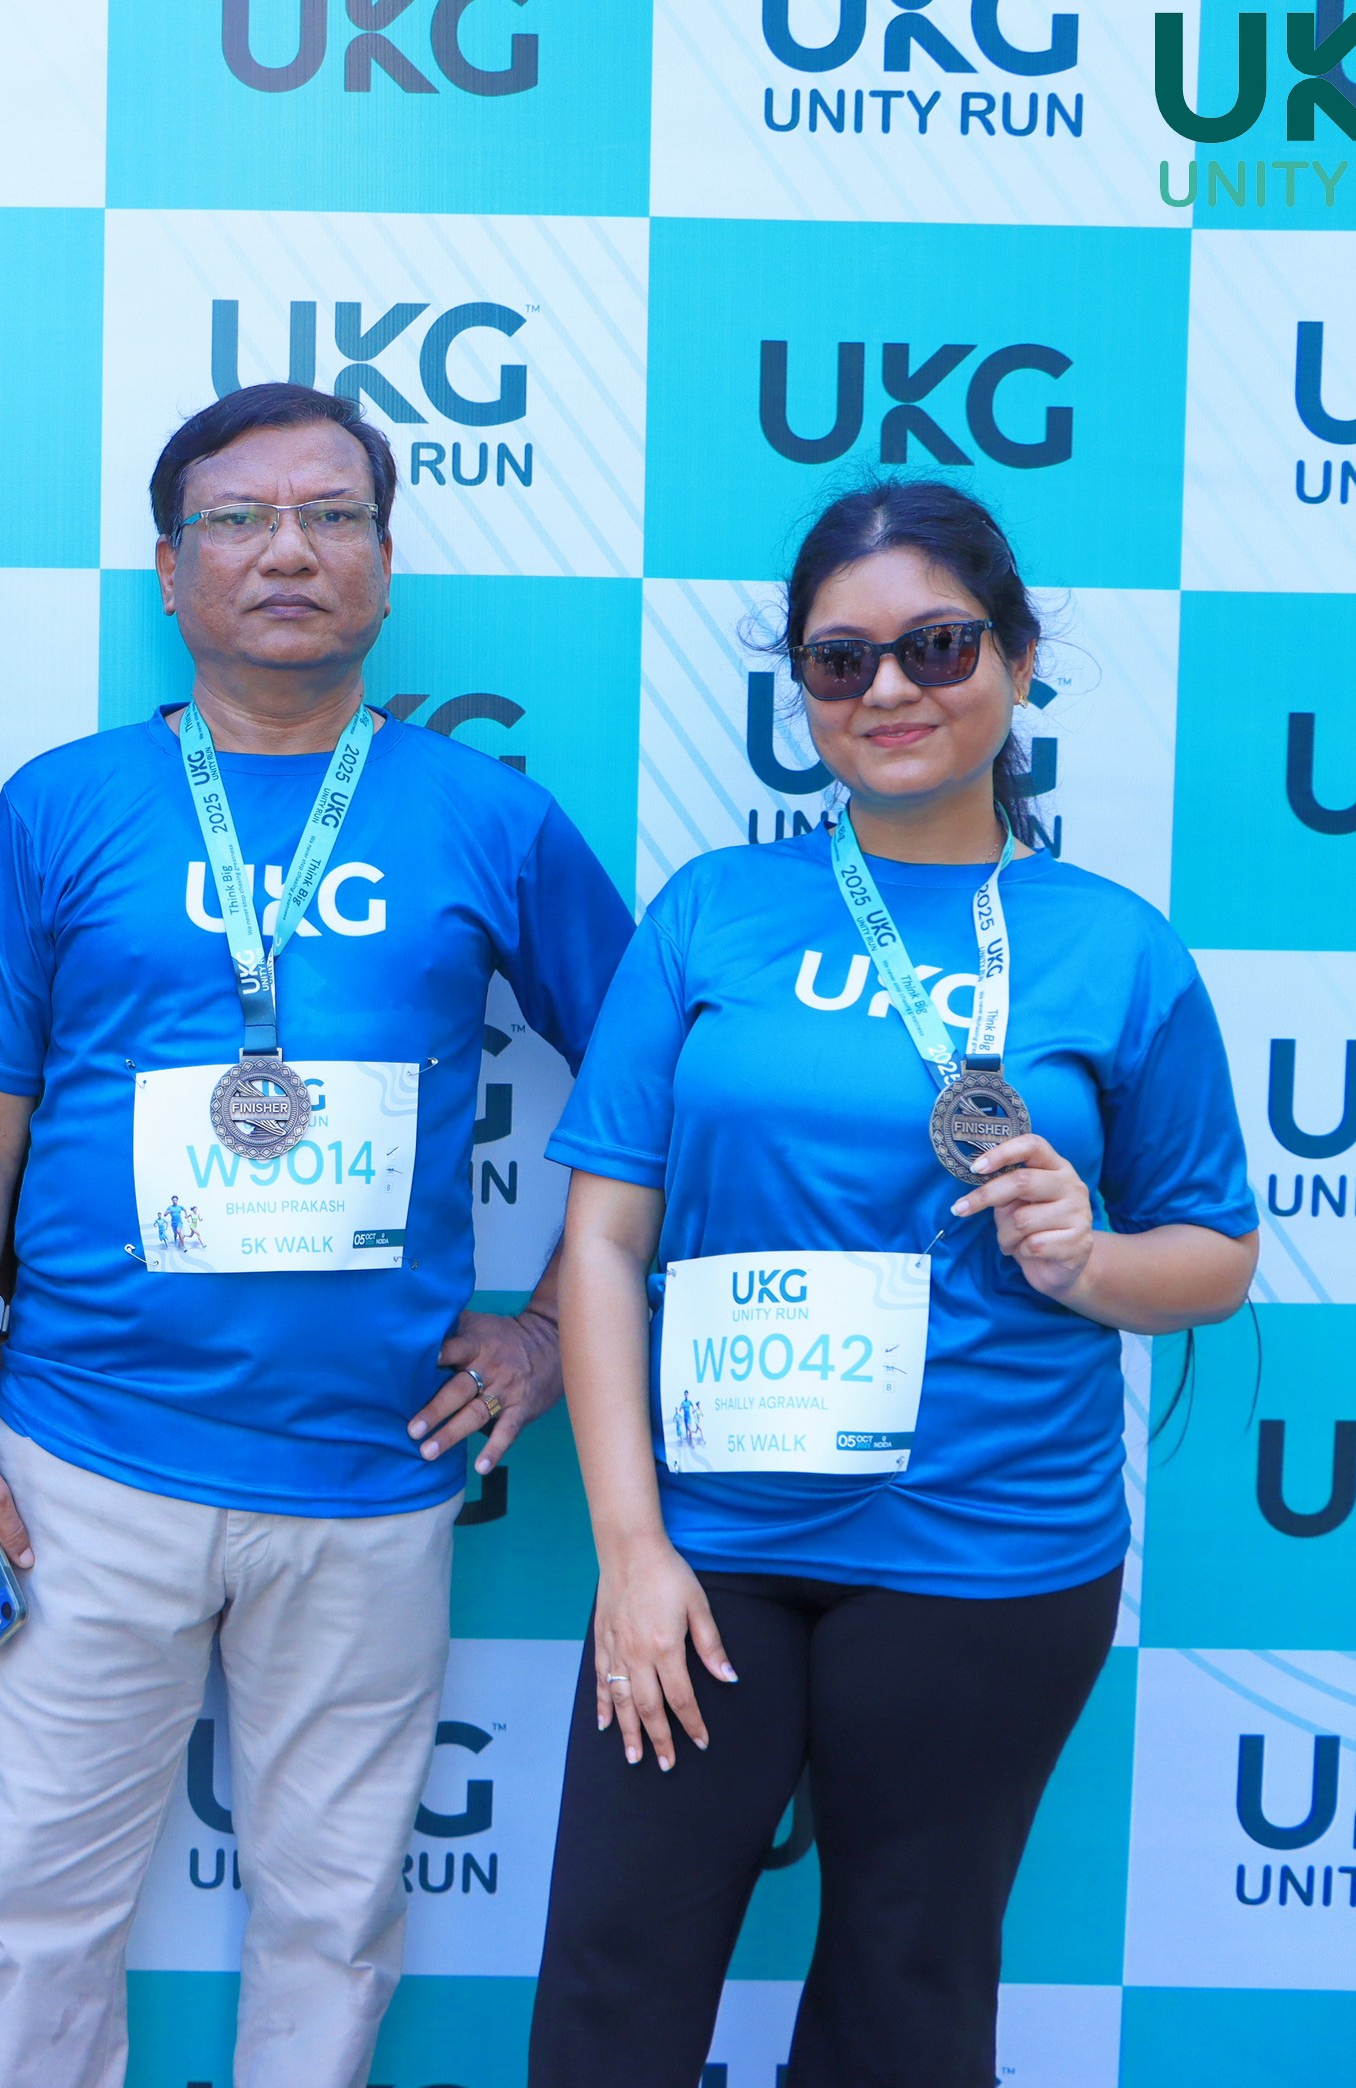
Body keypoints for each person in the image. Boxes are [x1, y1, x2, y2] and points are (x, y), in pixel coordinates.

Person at [0, 382, 634, 2088]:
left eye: (330, 515)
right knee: (38, 1916)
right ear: (172, 572)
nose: (286, 550)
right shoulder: (66, 807)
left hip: (372, 1475)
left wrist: (543, 1330)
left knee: (334, 1922)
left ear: (384, 562)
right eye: (237, 520)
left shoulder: (490, 817)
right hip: (86, 1463)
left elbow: (647, 1093)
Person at [527, 480, 1259, 2085]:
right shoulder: (712, 910)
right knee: (610, 1992)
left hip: (986, 1548)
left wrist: (1087, 1253)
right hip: (711, 1543)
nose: (889, 691)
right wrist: (631, 1548)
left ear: (1017, 658)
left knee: (903, 2008)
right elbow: (605, 1242)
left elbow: (1214, 1257)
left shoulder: (1115, 944)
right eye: (840, 660)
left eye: (937, 646)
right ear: (802, 687)